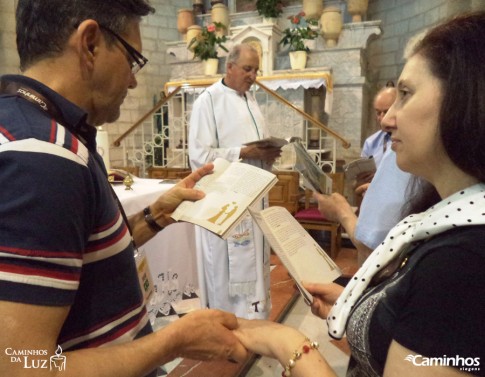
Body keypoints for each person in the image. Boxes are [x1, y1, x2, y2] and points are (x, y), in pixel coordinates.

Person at [0, 2, 248, 376]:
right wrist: (173, 341)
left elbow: (79, 256)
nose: (133, 81)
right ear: (90, 44)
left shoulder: (37, 129)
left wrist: (158, 214)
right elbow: (20, 367)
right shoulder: (45, 159)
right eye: (133, 59)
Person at [235, 12, 485, 376]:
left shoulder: (463, 262)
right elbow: (415, 318)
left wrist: (289, 345)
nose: (386, 120)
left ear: (462, 102)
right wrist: (363, 305)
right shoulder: (453, 225)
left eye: (406, 94)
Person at [188, 43, 282, 319]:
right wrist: (244, 152)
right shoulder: (209, 101)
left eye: (256, 70)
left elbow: (255, 147)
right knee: (225, 266)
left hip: (253, 198)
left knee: (255, 260)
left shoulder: (250, 100)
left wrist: (267, 154)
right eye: (247, 69)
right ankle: (226, 319)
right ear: (229, 67)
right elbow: (199, 155)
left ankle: (255, 317)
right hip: (225, 204)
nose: (253, 76)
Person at [361, 85, 397, 169]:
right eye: (378, 113)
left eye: (386, 112)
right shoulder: (370, 143)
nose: (381, 118)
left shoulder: (411, 141)